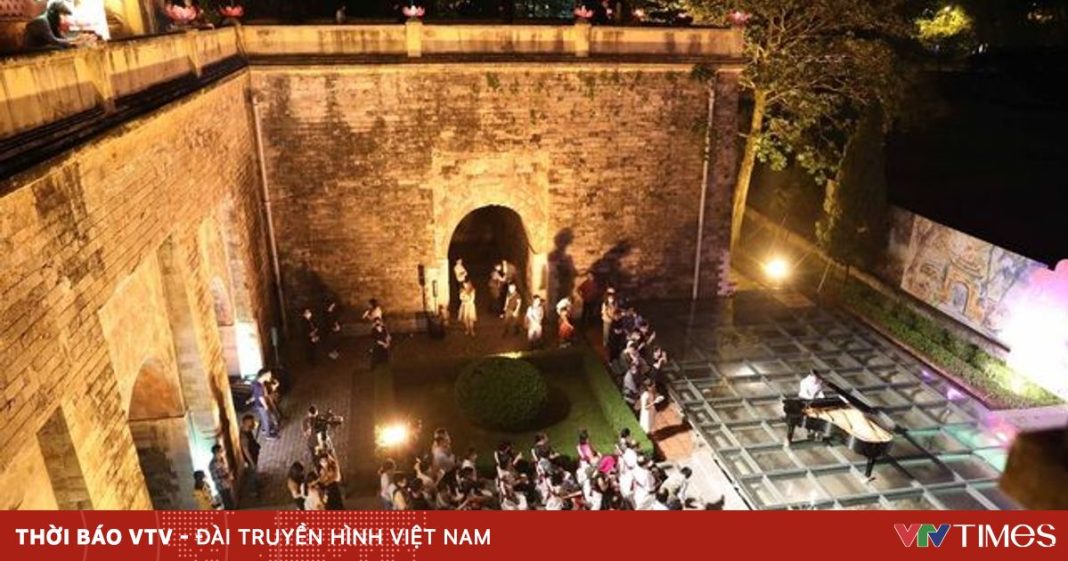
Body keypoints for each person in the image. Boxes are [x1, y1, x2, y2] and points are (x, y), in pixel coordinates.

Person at [247, 369, 279, 439]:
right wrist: (266, 406)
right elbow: (261, 397)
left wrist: (250, 400)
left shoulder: (258, 383)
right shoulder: (259, 386)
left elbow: (257, 394)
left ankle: (264, 429)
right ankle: (268, 435)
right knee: (266, 419)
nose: (270, 376)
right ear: (264, 375)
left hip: (260, 405)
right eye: (269, 375)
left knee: (264, 418)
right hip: (262, 405)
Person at [238, 414, 261, 498]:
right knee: (252, 473)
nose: (252, 423)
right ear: (246, 422)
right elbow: (246, 450)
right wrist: (251, 462)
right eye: (251, 422)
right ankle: (253, 490)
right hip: (250, 458)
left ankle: (257, 484)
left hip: (254, 454)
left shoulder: (248, 430)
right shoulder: (243, 436)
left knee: (254, 471)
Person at [208, 444, 235, 510]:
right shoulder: (213, 464)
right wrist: (227, 476)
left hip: (227, 484)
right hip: (221, 486)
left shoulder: (221, 460)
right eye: (221, 451)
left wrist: (229, 475)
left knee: (231, 503)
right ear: (216, 452)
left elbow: (224, 471)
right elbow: (215, 478)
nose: (222, 452)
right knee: (227, 504)